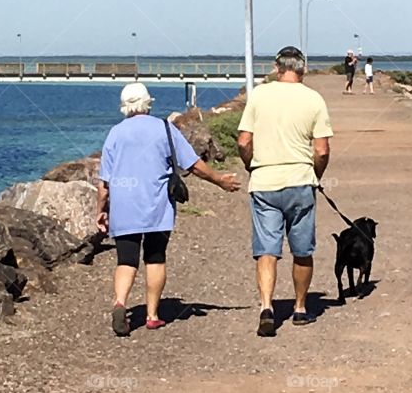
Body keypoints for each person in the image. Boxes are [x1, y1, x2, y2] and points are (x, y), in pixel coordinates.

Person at [96, 83, 240, 336]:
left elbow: (104, 183)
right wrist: (219, 180)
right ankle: (152, 315)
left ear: (124, 106)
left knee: (126, 260)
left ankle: (120, 303)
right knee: (155, 256)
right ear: (147, 103)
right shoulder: (164, 128)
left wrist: (101, 210)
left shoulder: (115, 133)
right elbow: (193, 164)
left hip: (124, 206)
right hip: (156, 205)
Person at [237, 46, 333, 337]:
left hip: (265, 181)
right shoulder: (314, 99)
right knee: (302, 249)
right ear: (302, 69)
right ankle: (300, 308)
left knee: (267, 250)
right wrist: (316, 174)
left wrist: (251, 166)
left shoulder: (260, 94)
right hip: (300, 180)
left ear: (277, 68)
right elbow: (322, 149)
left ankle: (267, 307)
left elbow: (243, 142)